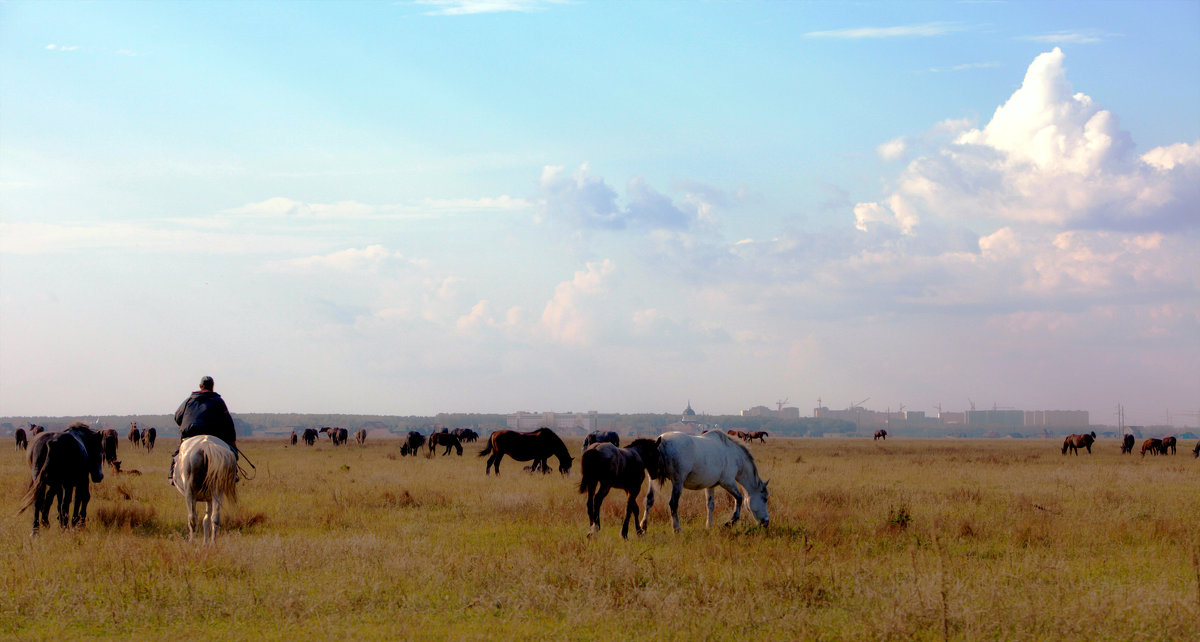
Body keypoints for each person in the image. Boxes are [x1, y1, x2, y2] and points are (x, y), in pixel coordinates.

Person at [169, 376, 238, 484]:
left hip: (190, 434)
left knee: (177, 454)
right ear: (212, 387)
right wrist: (232, 443)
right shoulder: (218, 401)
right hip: (214, 434)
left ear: (200, 386)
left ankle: (172, 474)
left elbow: (177, 417)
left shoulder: (189, 400)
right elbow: (229, 424)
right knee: (232, 454)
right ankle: (233, 474)